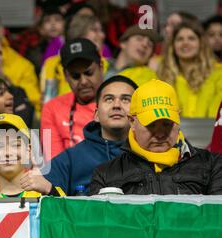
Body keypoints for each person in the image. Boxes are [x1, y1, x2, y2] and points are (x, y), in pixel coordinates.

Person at [89, 79, 222, 195]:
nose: (159, 134)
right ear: (132, 122)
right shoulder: (105, 174)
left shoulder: (213, 165)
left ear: (178, 120)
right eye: (151, 125)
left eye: (167, 124)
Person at [44, 75, 138, 195]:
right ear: (96, 115)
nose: (117, 105)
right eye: (109, 99)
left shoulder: (152, 153)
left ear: (138, 113)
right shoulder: (70, 160)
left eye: (126, 99)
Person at [41, 38, 104, 161]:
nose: (83, 81)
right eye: (75, 76)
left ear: (101, 67)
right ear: (65, 76)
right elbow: (53, 162)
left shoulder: (119, 103)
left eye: (89, 73)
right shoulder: (51, 108)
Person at [0, 113, 65, 197]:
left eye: (15, 145)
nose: (7, 153)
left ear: (28, 151)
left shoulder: (49, 190)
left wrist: (49, 190)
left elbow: (67, 209)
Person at [157, 22, 222, 118]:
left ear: (201, 44)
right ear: (173, 46)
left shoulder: (218, 75)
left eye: (191, 38)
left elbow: (216, 115)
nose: (185, 43)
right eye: (180, 39)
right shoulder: (162, 77)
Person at [40, 14, 108, 103]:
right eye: (94, 30)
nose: (102, 35)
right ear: (79, 33)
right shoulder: (52, 64)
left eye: (89, 73)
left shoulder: (106, 62)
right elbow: (47, 100)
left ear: (100, 67)